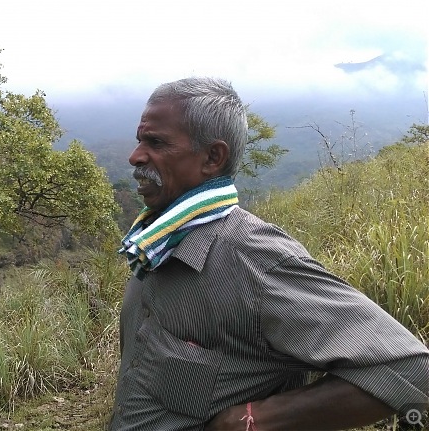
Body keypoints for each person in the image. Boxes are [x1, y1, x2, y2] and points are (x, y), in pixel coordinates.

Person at [110, 77, 429, 430]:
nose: (135, 155)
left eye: (155, 142)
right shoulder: (156, 244)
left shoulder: (254, 262)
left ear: (213, 157)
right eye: (140, 139)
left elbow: (410, 369)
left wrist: (252, 420)